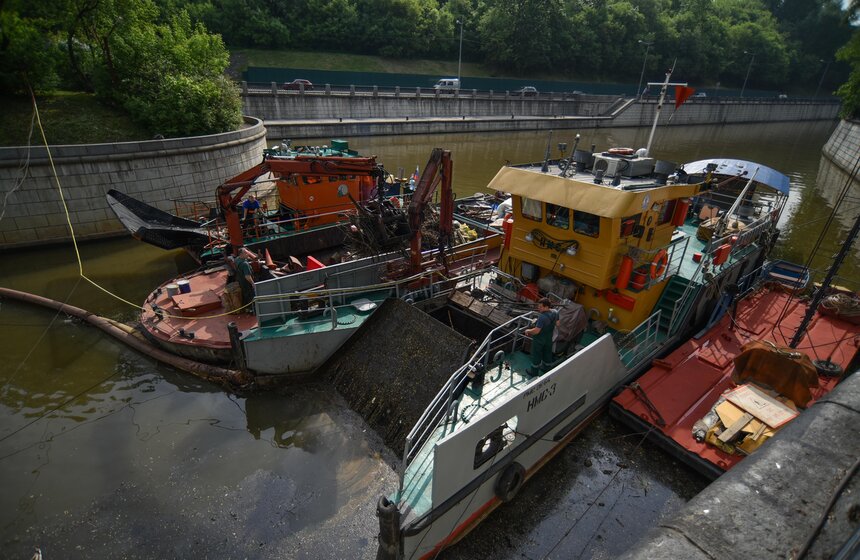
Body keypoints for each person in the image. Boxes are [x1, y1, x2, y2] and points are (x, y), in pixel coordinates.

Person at [525, 298, 557, 376]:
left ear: (546, 307)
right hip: (548, 338)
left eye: (541, 307)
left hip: (539, 340)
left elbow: (536, 331)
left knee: (536, 355)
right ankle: (546, 368)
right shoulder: (555, 312)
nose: (539, 308)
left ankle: (534, 372)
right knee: (547, 353)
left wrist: (528, 331)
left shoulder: (542, 317)